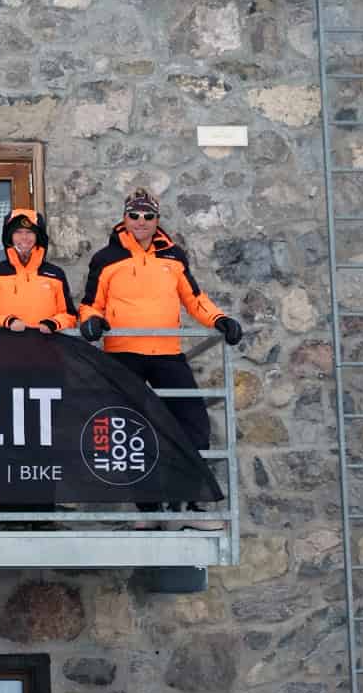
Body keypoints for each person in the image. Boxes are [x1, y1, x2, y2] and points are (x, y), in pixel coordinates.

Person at [77, 186, 242, 531]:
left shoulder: (174, 257)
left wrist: (220, 320)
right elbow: (91, 302)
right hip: (124, 354)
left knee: (194, 423)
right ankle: (149, 510)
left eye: (148, 216)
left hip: (167, 352)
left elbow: (195, 299)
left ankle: (191, 506)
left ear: (157, 220)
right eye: (134, 215)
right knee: (132, 431)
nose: (141, 221)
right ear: (124, 218)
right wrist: (90, 321)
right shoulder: (106, 258)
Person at [0, 209, 77, 332]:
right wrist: (7, 322)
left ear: (38, 237)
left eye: (29, 232)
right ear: (9, 237)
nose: (24, 237)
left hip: (46, 347)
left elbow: (70, 316)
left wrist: (53, 323)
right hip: (4, 347)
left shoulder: (55, 274)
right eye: (18, 232)